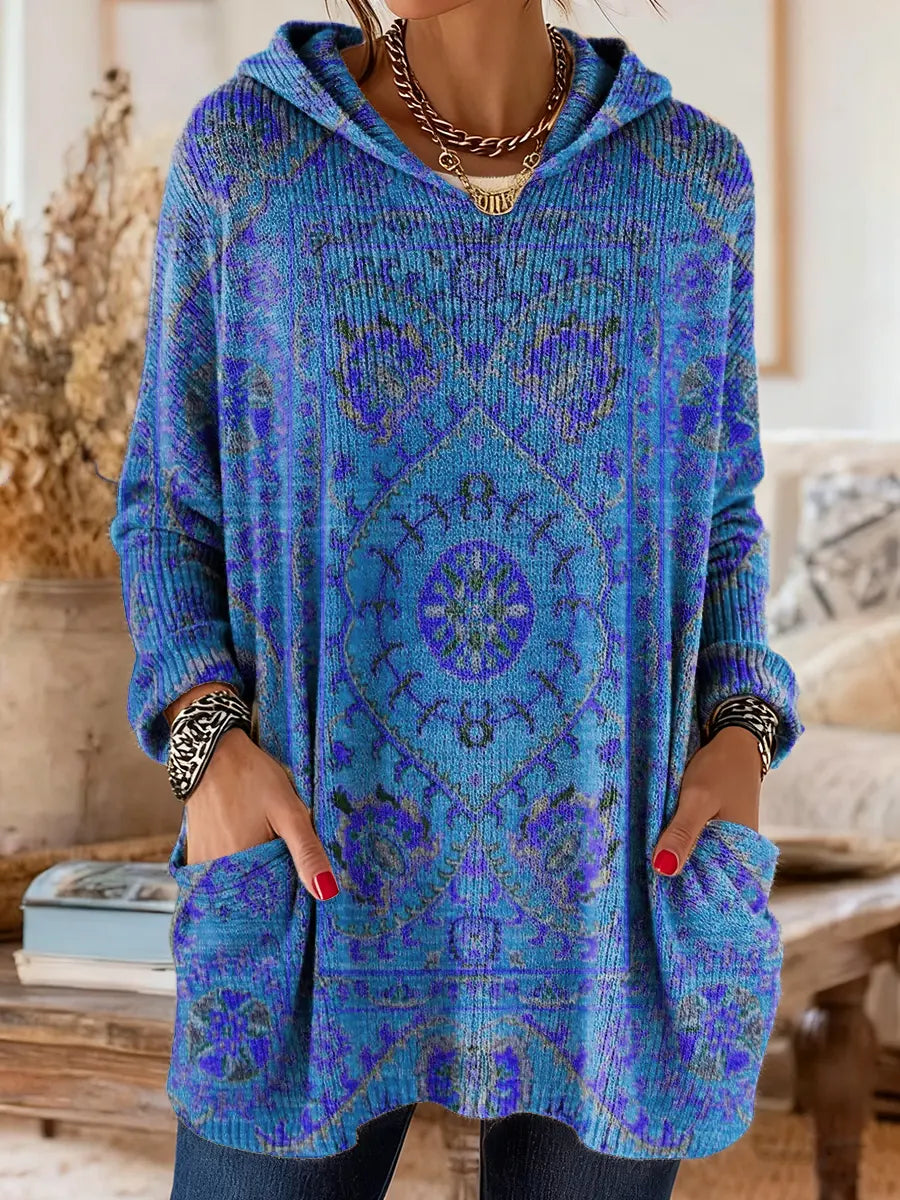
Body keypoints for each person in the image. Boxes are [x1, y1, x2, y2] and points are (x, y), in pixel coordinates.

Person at [109, 0, 804, 1197]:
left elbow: (722, 514)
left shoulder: (692, 186)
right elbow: (170, 505)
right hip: (311, 880)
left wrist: (741, 731)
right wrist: (204, 749)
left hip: (610, 896)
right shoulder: (251, 158)